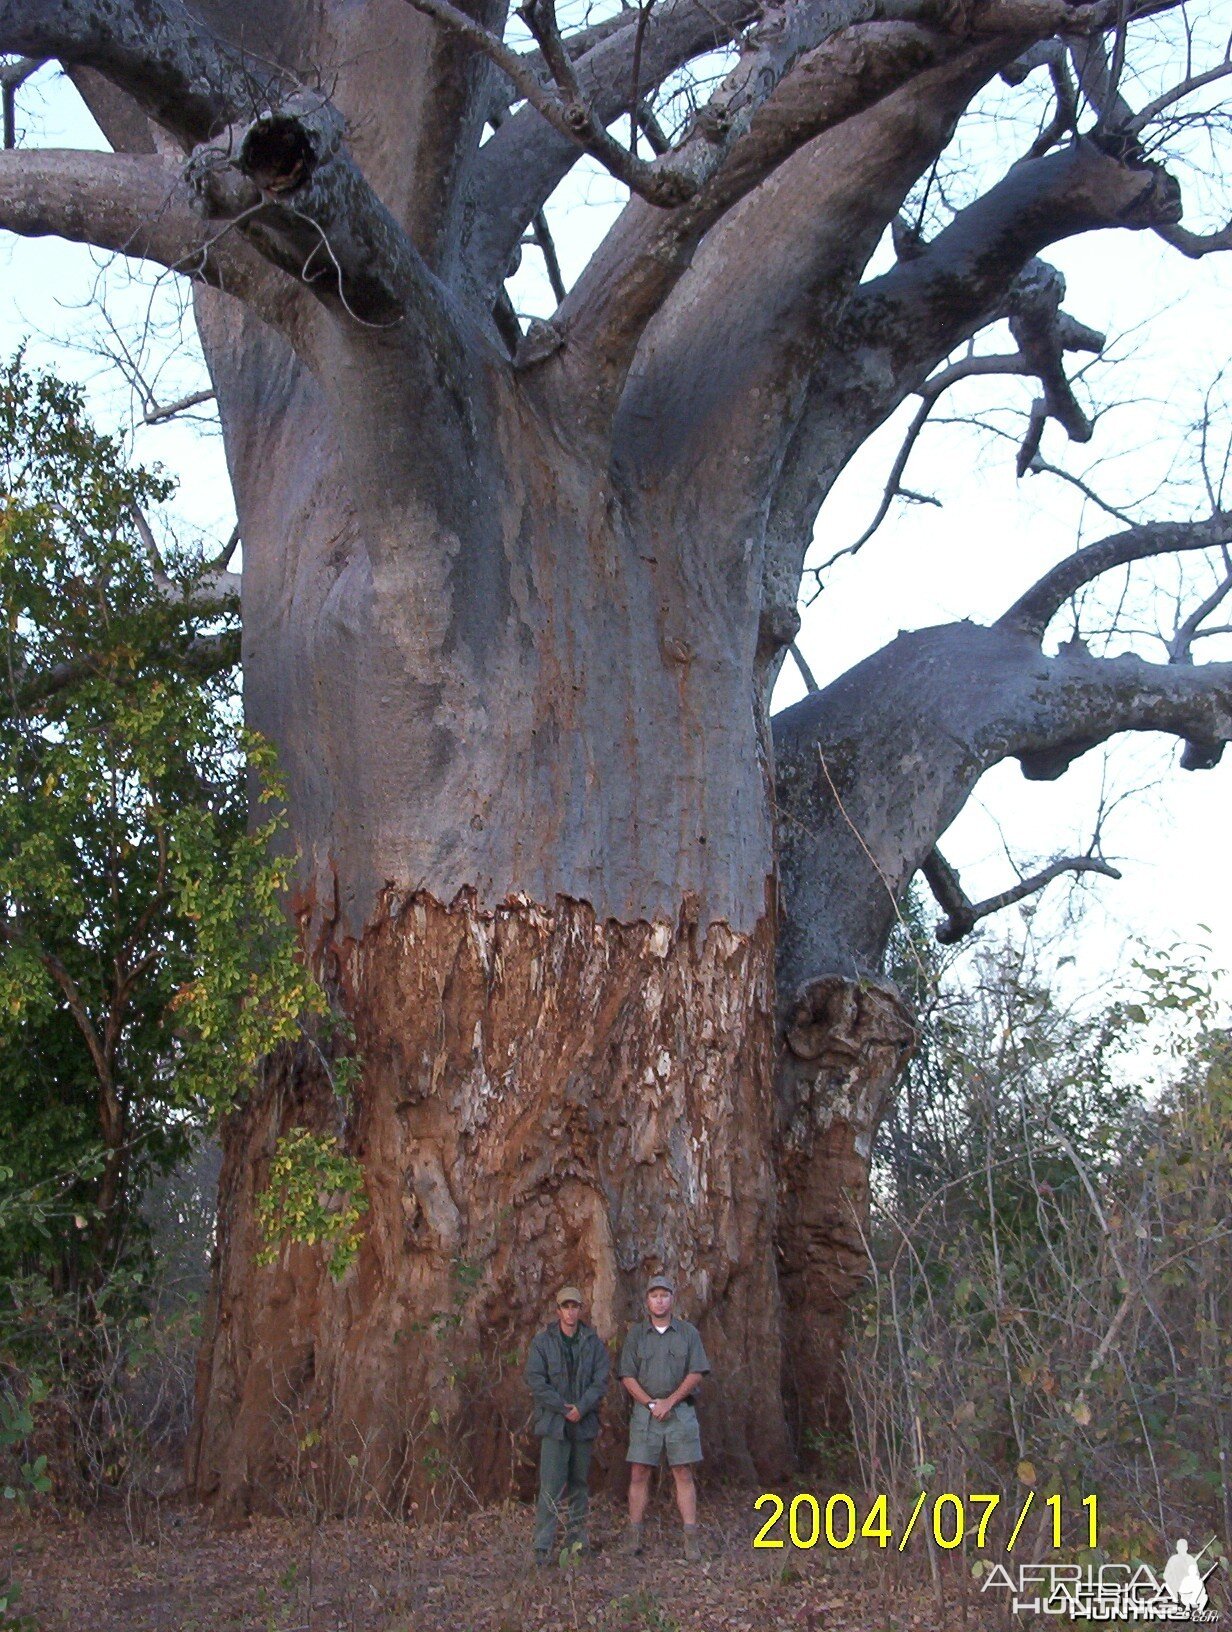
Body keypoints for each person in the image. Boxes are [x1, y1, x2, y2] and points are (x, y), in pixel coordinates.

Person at [618, 1275, 710, 1562]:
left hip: (679, 1413)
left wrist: (670, 1402)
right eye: (654, 1295)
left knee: (683, 1473)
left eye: (664, 1295)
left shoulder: (687, 1333)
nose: (659, 1300)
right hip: (645, 1415)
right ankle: (633, 1536)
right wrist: (649, 1403)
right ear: (647, 1301)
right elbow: (627, 1375)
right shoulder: (636, 1335)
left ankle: (690, 1538)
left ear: (673, 1299)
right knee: (639, 1473)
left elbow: (696, 1371)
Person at [524, 1284, 610, 1566]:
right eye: (565, 1306)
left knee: (579, 1483)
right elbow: (536, 1380)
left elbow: (600, 1380)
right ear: (558, 1310)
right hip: (554, 1424)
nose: (570, 1312)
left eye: (575, 1306)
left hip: (583, 1424)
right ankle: (542, 1546)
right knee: (550, 1485)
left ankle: (576, 1541)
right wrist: (562, 1408)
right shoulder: (543, 1342)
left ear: (580, 1309)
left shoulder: (592, 1342)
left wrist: (581, 1407)